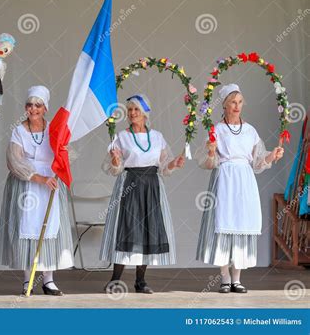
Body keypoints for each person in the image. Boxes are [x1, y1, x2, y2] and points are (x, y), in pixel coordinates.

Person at [195, 83, 284, 293]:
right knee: (224, 225)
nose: (237, 106)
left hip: (244, 180)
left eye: (240, 102)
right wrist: (211, 152)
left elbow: (258, 161)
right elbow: (207, 163)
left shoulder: (250, 130)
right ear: (224, 104)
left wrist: (272, 155)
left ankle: (237, 279)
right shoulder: (216, 129)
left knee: (242, 225)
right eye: (233, 102)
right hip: (225, 178)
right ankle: (225, 279)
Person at [100, 94, 185, 294]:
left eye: (136, 109)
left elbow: (164, 166)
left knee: (148, 230)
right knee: (126, 230)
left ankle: (141, 281)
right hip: (129, 185)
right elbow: (113, 169)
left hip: (151, 186)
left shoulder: (157, 136)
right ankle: (114, 280)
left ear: (145, 113)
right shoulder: (121, 136)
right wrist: (115, 160)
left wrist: (174, 163)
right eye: (129, 110)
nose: (132, 113)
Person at [0, 85, 74, 296]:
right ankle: (27, 279)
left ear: (45, 108)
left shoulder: (54, 129)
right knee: (27, 228)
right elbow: (14, 160)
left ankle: (48, 280)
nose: (33, 109)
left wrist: (61, 158)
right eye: (29, 105)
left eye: (38, 105)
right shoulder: (19, 131)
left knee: (48, 228)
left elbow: (63, 152)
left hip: (51, 184)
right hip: (28, 184)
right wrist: (39, 178)